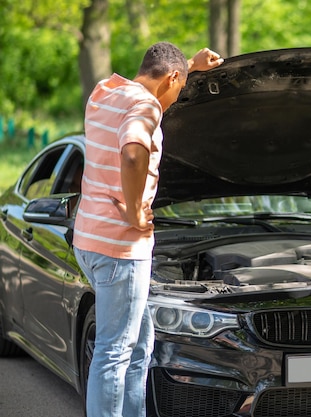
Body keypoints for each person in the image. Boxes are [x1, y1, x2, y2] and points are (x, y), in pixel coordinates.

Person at [73, 42, 223, 417]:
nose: (176, 98)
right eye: (180, 86)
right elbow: (133, 152)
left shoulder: (106, 91)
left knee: (139, 345)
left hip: (90, 241)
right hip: (120, 250)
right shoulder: (145, 106)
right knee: (115, 353)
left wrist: (191, 64)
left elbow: (162, 73)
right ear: (171, 79)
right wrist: (137, 212)